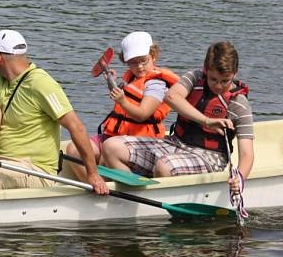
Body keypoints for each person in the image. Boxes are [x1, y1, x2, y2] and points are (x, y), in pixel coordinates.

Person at [0, 29, 108, 195]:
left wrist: (93, 175)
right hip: (4, 161)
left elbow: (76, 127)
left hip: (37, 170)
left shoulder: (41, 84)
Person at [101, 41, 254, 195]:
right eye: (213, 79)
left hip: (210, 157)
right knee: (111, 147)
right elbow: (171, 97)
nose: (218, 86)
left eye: (224, 81)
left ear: (234, 74)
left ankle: (151, 199)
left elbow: (247, 153)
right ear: (206, 70)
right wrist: (207, 121)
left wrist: (239, 178)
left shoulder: (239, 104)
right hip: (175, 143)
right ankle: (135, 196)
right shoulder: (195, 78)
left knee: (164, 165)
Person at [64, 31, 179, 179]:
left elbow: (142, 114)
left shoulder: (156, 83)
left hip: (141, 141)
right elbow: (124, 99)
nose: (139, 67)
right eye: (133, 62)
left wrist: (122, 101)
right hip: (114, 136)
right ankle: (94, 186)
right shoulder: (131, 77)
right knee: (74, 149)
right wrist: (111, 82)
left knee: (108, 151)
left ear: (153, 55)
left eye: (143, 61)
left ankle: (113, 190)